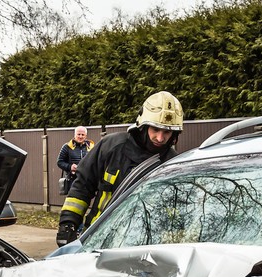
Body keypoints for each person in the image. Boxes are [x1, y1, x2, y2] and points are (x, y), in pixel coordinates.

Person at [56, 91, 183, 246]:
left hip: (145, 246)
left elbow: (175, 210)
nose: (160, 138)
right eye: (155, 129)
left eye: (167, 132)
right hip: (98, 239)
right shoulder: (111, 146)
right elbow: (82, 185)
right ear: (143, 126)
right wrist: (68, 224)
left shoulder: (173, 164)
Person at [56, 126, 94, 195]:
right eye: (78, 134)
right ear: (74, 135)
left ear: (86, 136)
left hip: (87, 181)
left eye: (82, 135)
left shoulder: (91, 147)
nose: (80, 136)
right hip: (72, 181)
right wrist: (70, 167)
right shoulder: (67, 147)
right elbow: (59, 162)